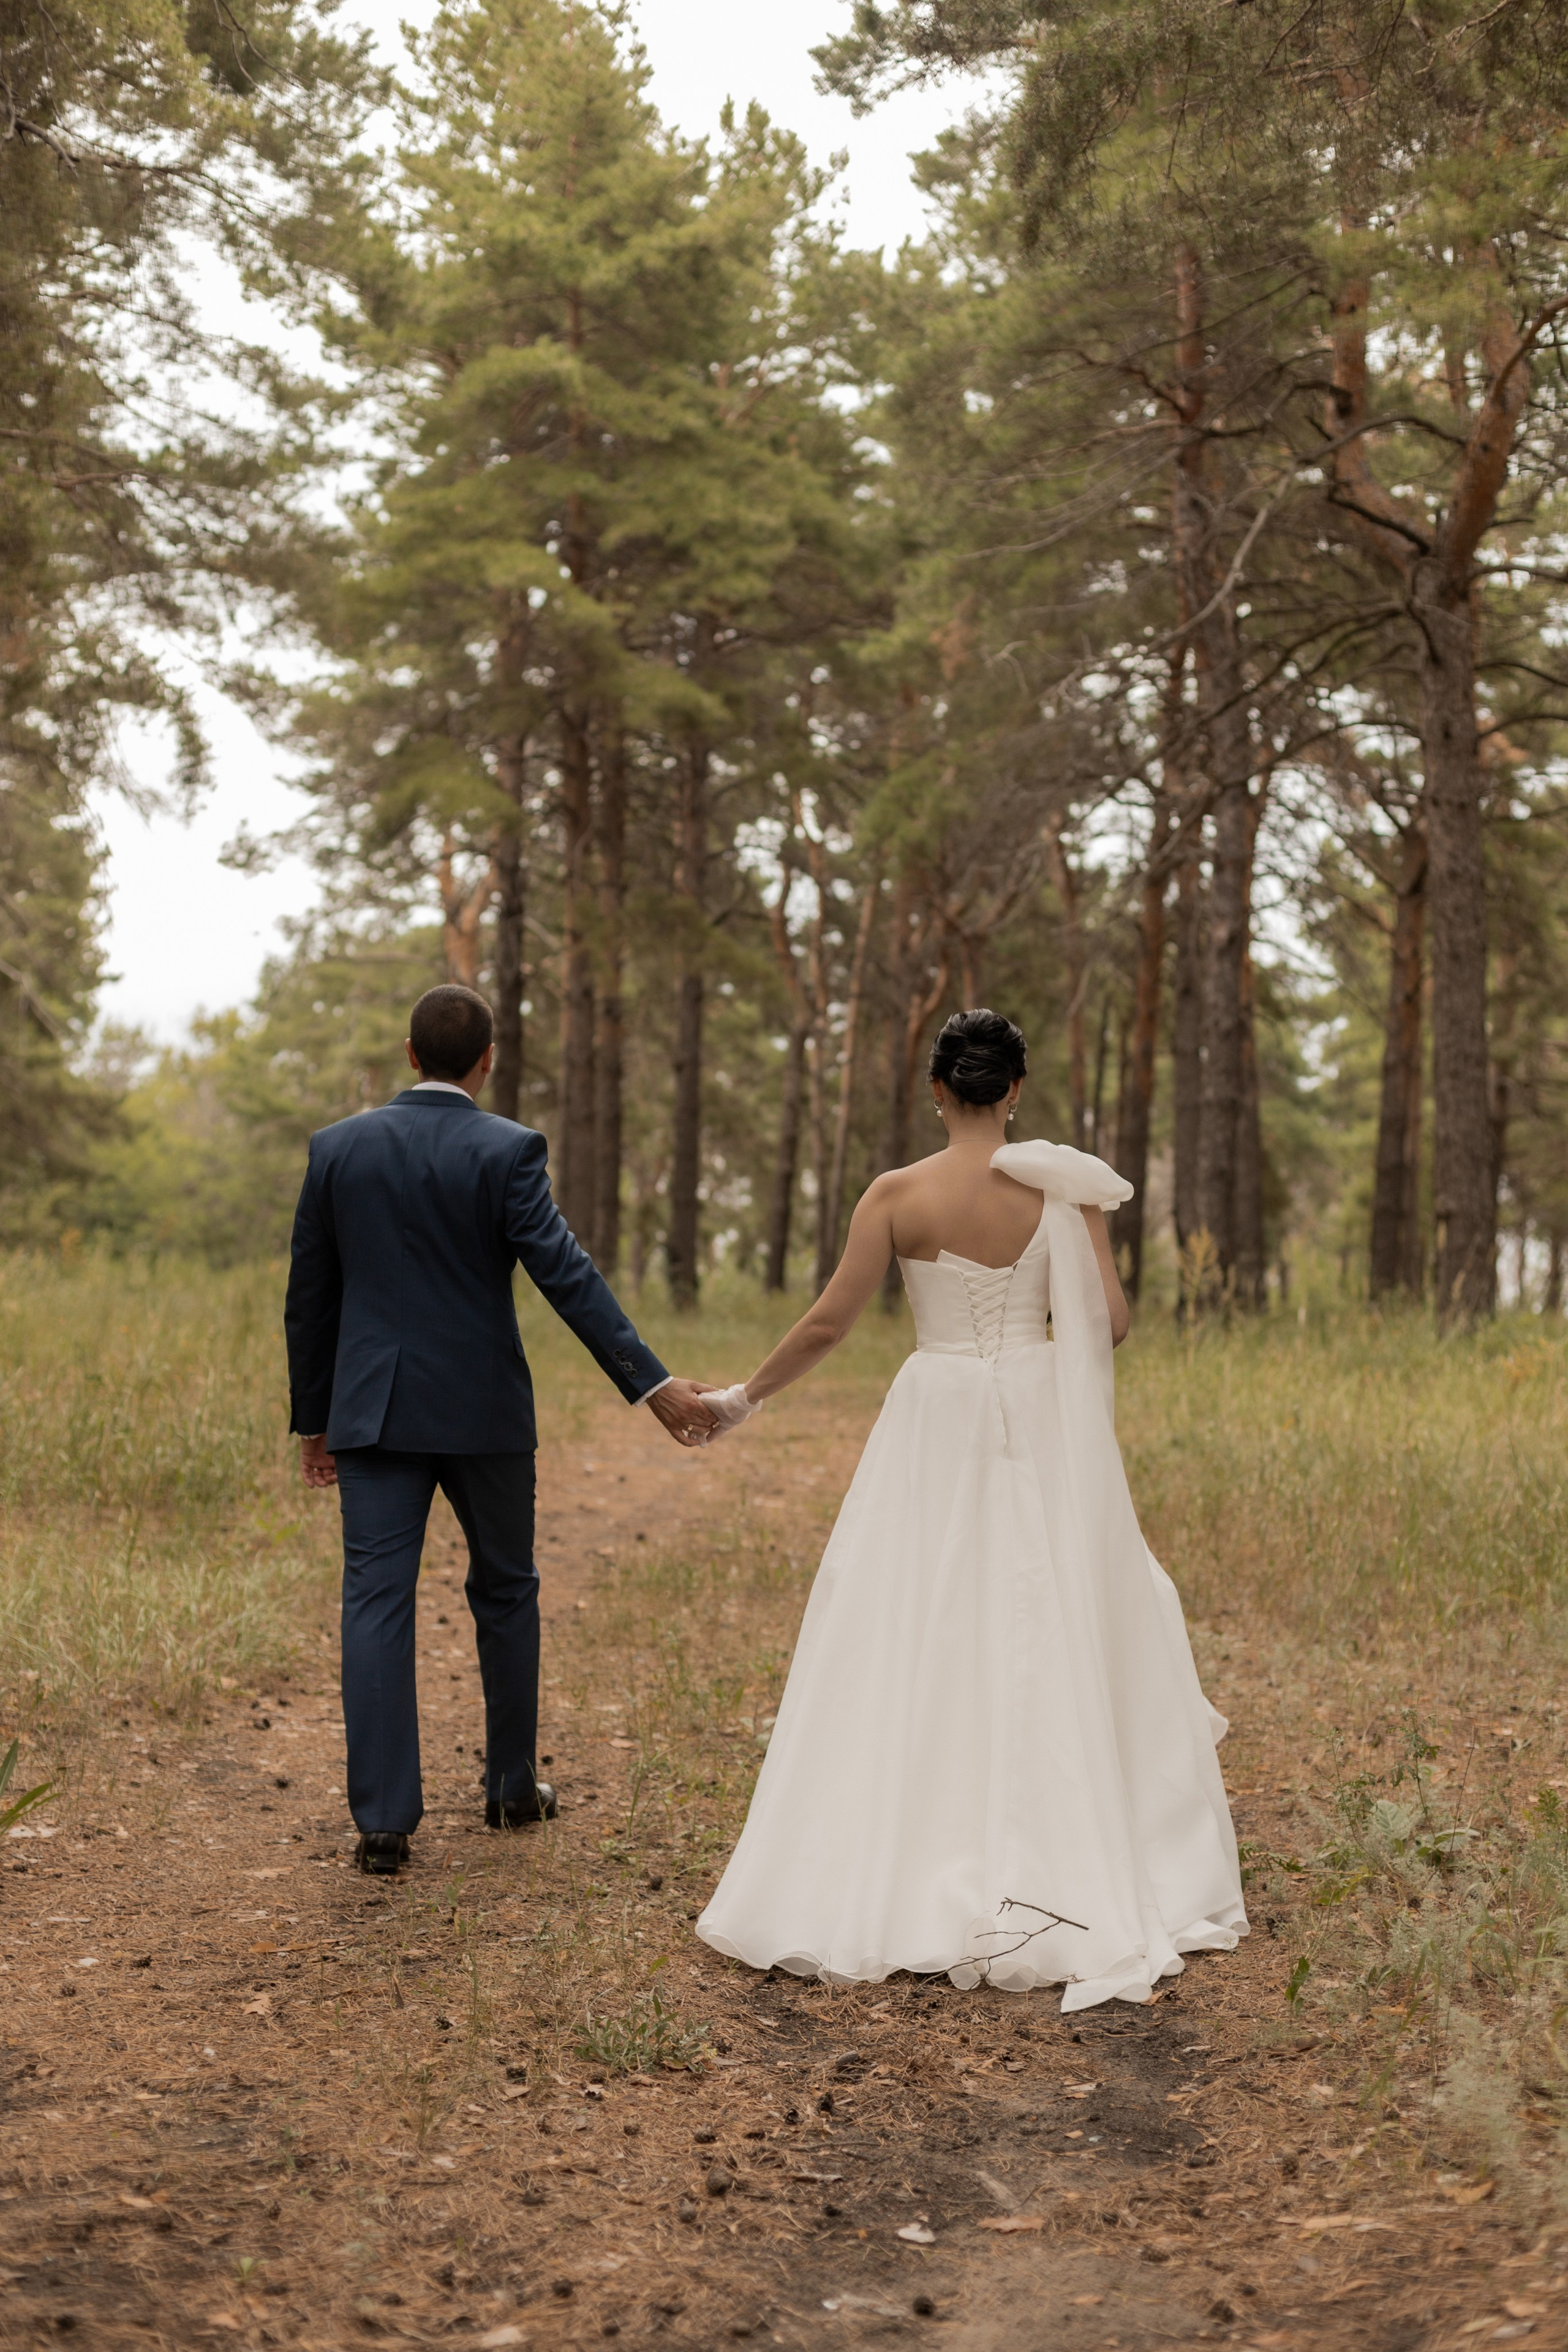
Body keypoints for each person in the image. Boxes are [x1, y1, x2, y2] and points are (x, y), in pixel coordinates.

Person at [694, 1008, 1246, 2008]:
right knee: (1045, 1610)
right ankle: (1062, 1850)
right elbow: (1110, 1326)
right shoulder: (1062, 1192)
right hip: (1037, 1413)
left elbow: (828, 1322)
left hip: (937, 1413)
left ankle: (911, 1851)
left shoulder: (897, 1194)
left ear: (938, 1090)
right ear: (1016, 1091)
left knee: (920, 1615)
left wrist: (740, 1401)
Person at [284, 984, 715, 1877]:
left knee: (375, 1599)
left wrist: (313, 1421)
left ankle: (384, 1822)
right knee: (507, 1590)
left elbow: (310, 1298)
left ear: (410, 1056)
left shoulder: (338, 1150)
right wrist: (654, 1386)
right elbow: (569, 1276)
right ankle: (511, 1788)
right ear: (487, 1061)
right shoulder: (508, 1149)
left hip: (370, 1412)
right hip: (482, 1412)